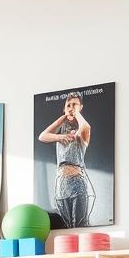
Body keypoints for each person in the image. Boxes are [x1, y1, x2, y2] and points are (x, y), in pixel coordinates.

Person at [39, 93, 93, 227]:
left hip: (78, 183)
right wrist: (62, 121)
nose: (71, 107)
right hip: (61, 184)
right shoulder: (60, 133)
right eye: (68, 105)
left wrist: (75, 112)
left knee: (80, 225)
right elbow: (42, 136)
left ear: (80, 107)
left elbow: (86, 127)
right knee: (64, 226)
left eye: (74, 104)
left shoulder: (82, 132)